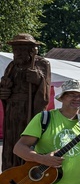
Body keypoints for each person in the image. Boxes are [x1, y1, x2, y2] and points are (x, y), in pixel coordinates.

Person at [0, 33, 51, 171]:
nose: (18, 53)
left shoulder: (41, 63)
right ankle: (8, 172)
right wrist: (4, 92)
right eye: (16, 50)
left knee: (26, 141)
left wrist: (38, 79)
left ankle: (24, 172)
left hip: (29, 109)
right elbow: (5, 87)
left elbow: (45, 89)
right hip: (12, 110)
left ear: (32, 50)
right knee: (10, 142)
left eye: (22, 49)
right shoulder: (12, 66)